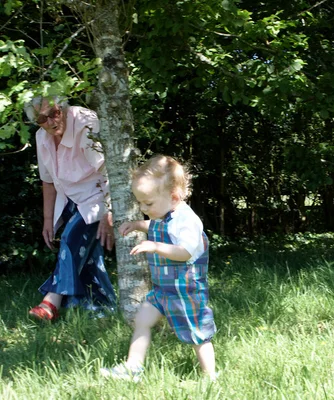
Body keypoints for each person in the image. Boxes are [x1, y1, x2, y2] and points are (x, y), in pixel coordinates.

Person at [101, 154, 216, 382]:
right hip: (163, 290)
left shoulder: (187, 221)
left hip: (186, 291)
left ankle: (210, 376)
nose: (144, 208)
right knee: (142, 320)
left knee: (198, 335)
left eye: (148, 203)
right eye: (141, 203)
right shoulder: (165, 214)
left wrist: (155, 246)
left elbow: (184, 252)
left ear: (174, 197)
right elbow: (155, 225)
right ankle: (133, 367)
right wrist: (137, 225)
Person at [24, 95, 117, 321]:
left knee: (70, 239)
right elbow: (47, 180)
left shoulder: (85, 122)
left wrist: (109, 212)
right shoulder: (41, 138)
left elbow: (110, 171)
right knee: (90, 258)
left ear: (63, 108)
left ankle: (50, 302)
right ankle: (102, 307)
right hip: (69, 199)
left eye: (54, 113)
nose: (50, 122)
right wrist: (48, 219)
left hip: (97, 196)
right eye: (41, 119)